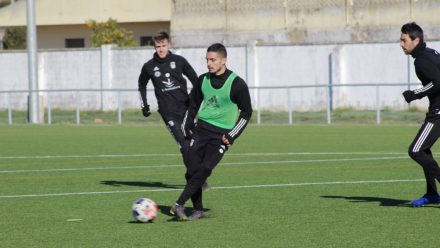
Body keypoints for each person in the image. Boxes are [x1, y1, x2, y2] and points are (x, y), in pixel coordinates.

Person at [169, 43, 253, 220]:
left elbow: (246, 113)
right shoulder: (203, 80)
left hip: (221, 136)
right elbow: (192, 105)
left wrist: (232, 134)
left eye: (213, 60)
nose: (209, 63)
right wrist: (188, 125)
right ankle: (198, 209)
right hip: (201, 130)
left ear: (224, 60)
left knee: (205, 169)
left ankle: (179, 204)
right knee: (192, 171)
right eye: (207, 59)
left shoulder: (237, 84)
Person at [400, 22, 440, 207]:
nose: (401, 44)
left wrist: (414, 94)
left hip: (439, 113)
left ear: (416, 40)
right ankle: (432, 194)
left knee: (416, 150)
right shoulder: (430, 53)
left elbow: (438, 82)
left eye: (404, 40)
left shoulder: (422, 59)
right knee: (424, 150)